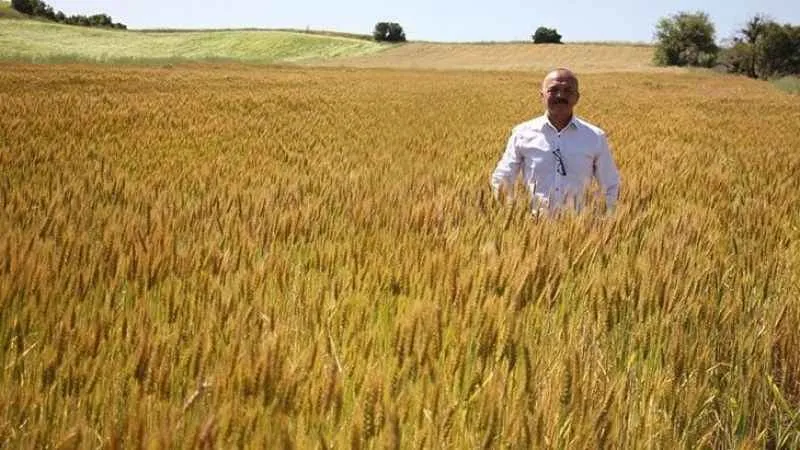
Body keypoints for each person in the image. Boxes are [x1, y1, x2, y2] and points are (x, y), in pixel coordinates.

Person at [491, 68, 620, 216]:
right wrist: (510, 215)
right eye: (553, 90)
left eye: (568, 91)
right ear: (542, 95)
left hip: (579, 227)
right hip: (532, 226)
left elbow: (610, 185)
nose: (560, 95)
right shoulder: (522, 133)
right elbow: (503, 177)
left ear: (577, 97)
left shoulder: (595, 137)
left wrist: (605, 220)